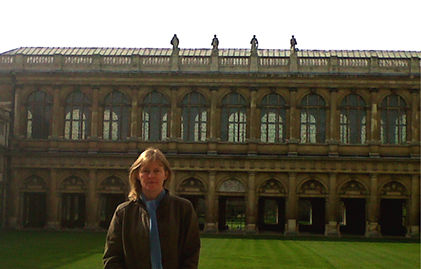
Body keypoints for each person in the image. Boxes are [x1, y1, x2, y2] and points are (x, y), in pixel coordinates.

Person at [103, 148, 201, 269]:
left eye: (157, 171)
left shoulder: (183, 209)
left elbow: (191, 255)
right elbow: (112, 257)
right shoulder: (124, 212)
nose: (151, 176)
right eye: (145, 171)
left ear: (166, 174)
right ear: (138, 175)